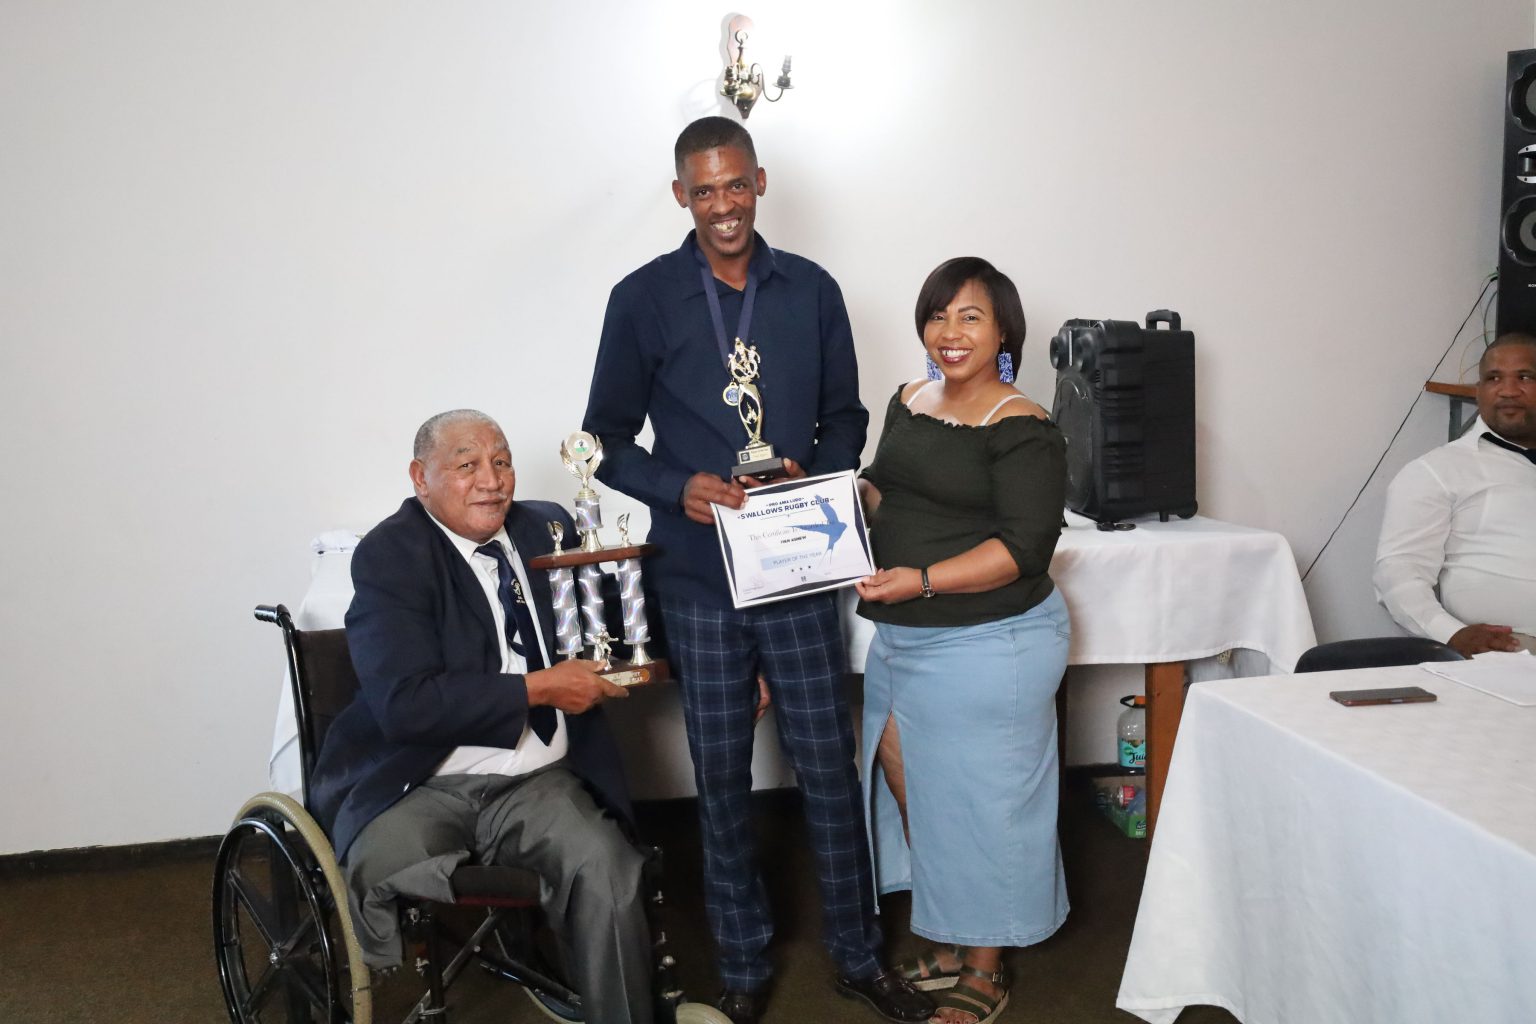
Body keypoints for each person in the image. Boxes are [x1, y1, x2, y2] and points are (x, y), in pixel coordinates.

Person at [581, 117, 929, 1024]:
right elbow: (606, 442)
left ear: (760, 182)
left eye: (736, 186)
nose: (724, 206)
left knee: (826, 764)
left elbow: (849, 417)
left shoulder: (811, 291)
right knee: (723, 776)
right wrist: (679, 486)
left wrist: (812, 473)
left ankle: (857, 955)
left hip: (799, 561)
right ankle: (741, 965)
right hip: (699, 575)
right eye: (705, 190)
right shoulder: (642, 298)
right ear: (680, 196)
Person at [308, 409, 651, 1024]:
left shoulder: (547, 525)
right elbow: (404, 705)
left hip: (536, 778)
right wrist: (538, 689)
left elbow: (608, 622)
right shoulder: (393, 556)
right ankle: (463, 944)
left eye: (501, 461)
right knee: (377, 869)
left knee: (607, 864)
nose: (491, 480)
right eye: (466, 466)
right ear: (421, 477)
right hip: (423, 780)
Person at [855, 257, 1071, 1024]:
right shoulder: (911, 399)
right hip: (905, 641)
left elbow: (1022, 550)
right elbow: (885, 488)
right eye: (939, 315)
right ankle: (953, 932)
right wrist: (820, 502)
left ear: (1004, 329)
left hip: (990, 644)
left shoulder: (1023, 426)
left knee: (986, 800)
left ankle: (987, 962)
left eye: (970, 317)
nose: (951, 333)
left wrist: (919, 579)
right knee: (916, 782)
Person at [1374, 332, 1536, 656]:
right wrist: (1452, 635)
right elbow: (1398, 576)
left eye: (1525, 376)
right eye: (1493, 378)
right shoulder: (1437, 471)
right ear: (1478, 392)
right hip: (1509, 651)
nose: (1507, 390)